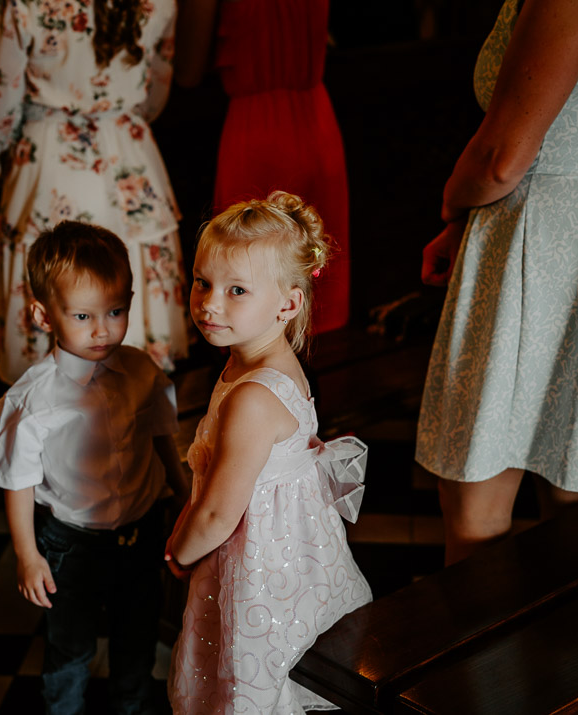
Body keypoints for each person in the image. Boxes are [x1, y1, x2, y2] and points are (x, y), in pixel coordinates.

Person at [417, 0, 578, 565]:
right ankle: (569, 621)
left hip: (542, 231)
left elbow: (501, 160)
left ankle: (482, 624)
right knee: (573, 475)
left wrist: (451, 208)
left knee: (477, 503)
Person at [165, 192, 371, 713]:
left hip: (260, 567)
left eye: (236, 290)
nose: (209, 303)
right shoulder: (257, 362)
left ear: (288, 304)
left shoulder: (254, 396)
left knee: (257, 680)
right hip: (291, 551)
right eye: (202, 281)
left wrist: (181, 552)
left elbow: (218, 514)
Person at [0, 221, 189, 714]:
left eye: (115, 311)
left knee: (136, 640)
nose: (102, 329)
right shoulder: (32, 401)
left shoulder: (142, 371)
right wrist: (27, 555)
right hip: (71, 542)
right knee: (70, 649)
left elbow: (163, 437)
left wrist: (185, 497)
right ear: (43, 315)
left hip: (142, 531)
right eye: (83, 316)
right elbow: (18, 483)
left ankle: (131, 707)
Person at [0, 0, 189, 384]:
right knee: (136, 364)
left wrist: (3, 167)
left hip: (48, 164)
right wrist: (115, 117)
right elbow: (156, 88)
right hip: (129, 153)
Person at [174, 0, 351, 334]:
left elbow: (188, 70)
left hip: (255, 130)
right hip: (316, 120)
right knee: (305, 289)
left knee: (240, 287)